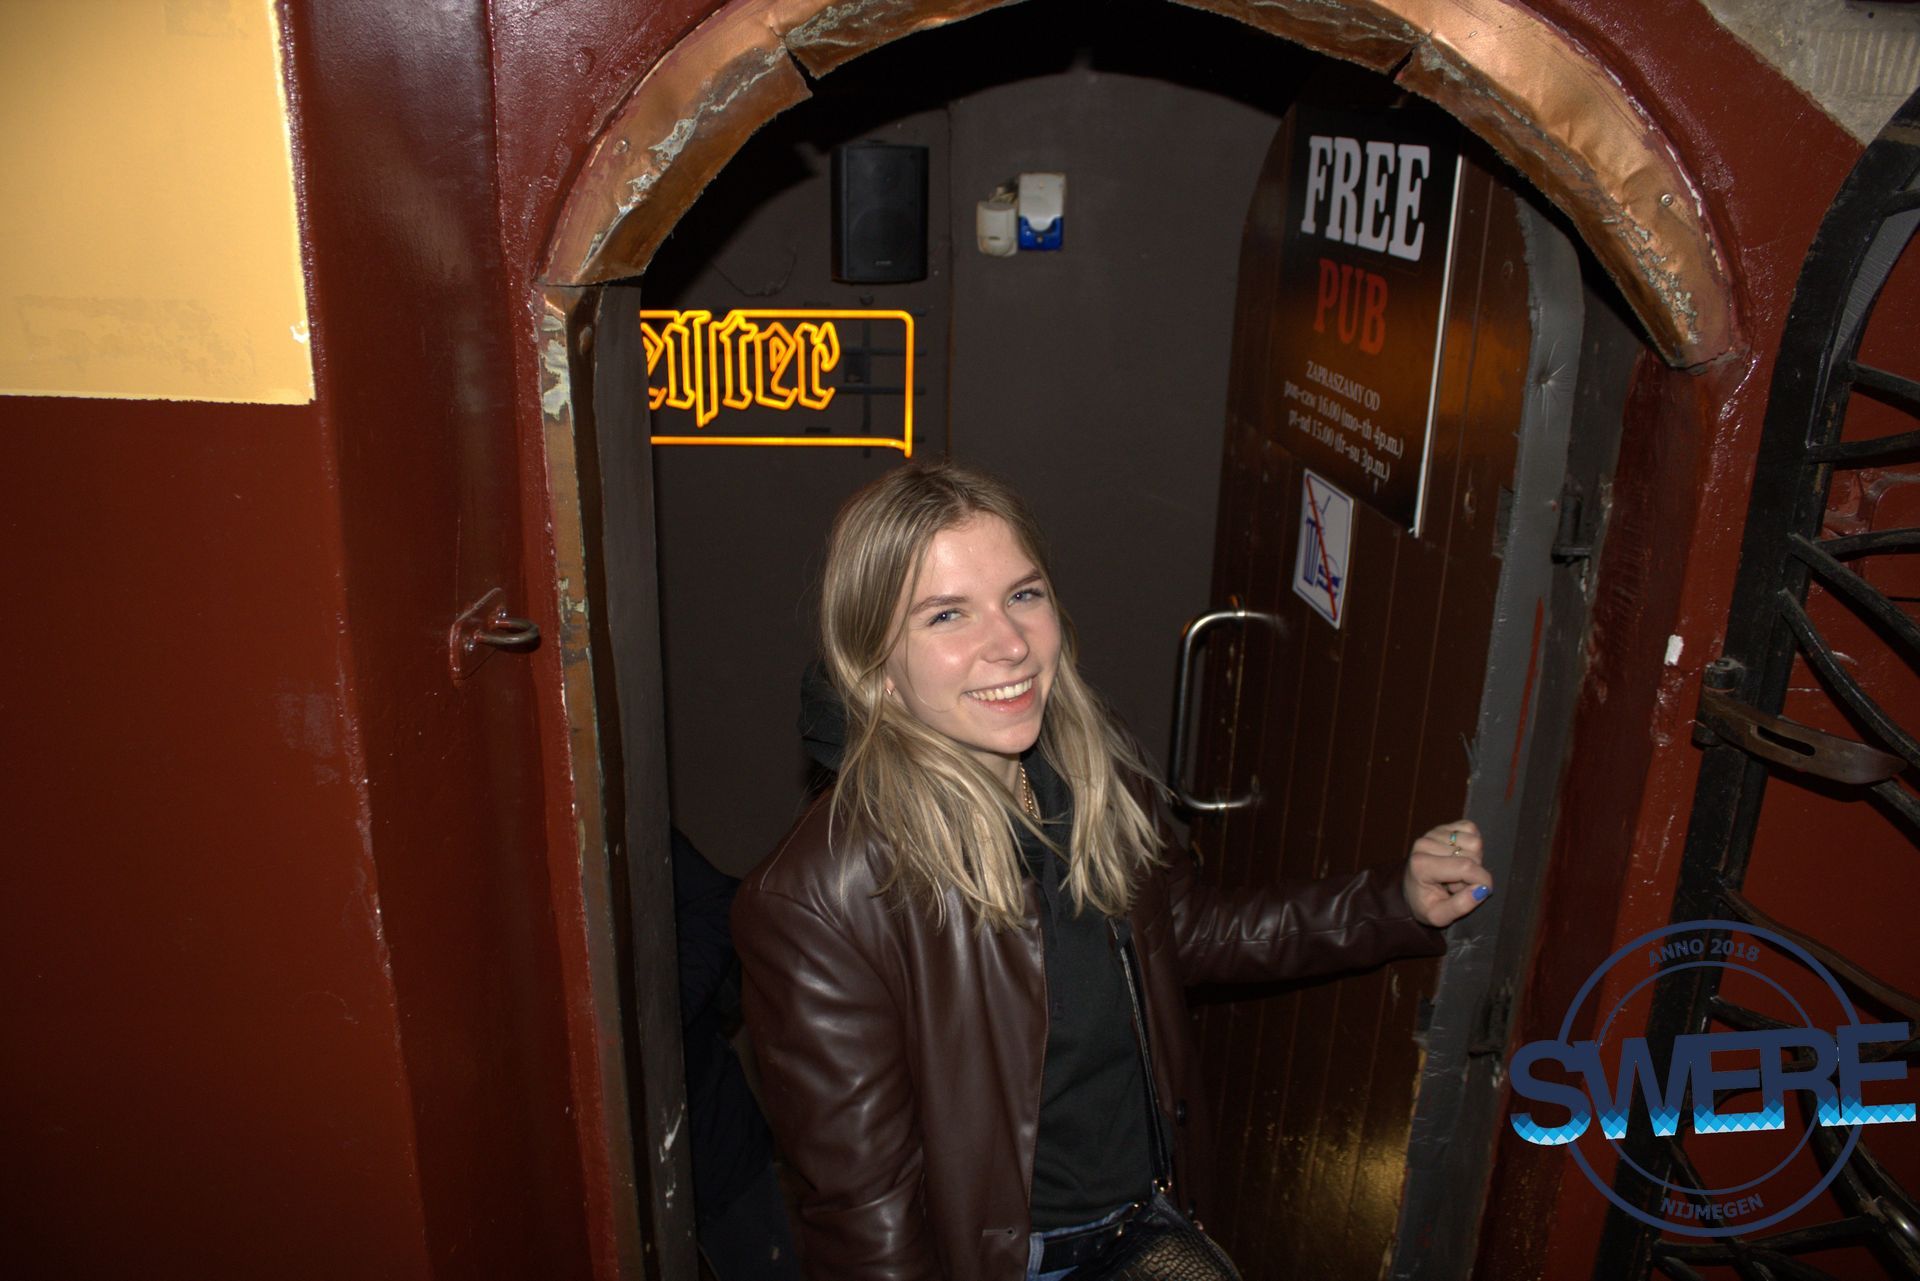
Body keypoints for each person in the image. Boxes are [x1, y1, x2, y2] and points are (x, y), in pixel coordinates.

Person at [733, 463, 1492, 1281]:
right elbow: (866, 1216)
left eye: (1023, 595)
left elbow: (1188, 934)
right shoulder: (820, 898)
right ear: (874, 662)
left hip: (1151, 1219)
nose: (1010, 643)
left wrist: (1393, 900)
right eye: (947, 613)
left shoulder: (1093, 770)